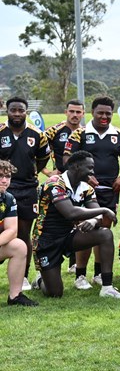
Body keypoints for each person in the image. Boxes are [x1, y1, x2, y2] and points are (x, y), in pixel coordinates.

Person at [33, 151, 120, 299]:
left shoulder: (86, 188)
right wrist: (104, 210)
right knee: (55, 293)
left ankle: (107, 287)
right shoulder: (54, 183)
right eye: (89, 167)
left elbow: (96, 213)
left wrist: (94, 220)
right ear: (76, 166)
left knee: (105, 234)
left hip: (70, 235)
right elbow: (70, 213)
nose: (93, 171)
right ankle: (40, 279)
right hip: (46, 240)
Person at [64, 95, 120, 288]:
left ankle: (99, 273)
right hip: (84, 190)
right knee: (86, 229)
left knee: (104, 230)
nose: (104, 116)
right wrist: (85, 178)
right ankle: (80, 275)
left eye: (108, 114)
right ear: (92, 112)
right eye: (100, 112)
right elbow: (67, 160)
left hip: (110, 189)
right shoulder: (80, 134)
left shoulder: (118, 134)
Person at [0, 96, 51, 290]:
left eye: (21, 110)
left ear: (26, 112)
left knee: (23, 234)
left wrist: (29, 174)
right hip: (4, 189)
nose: (17, 114)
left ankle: (23, 276)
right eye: (13, 110)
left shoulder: (37, 134)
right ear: (7, 111)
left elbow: (42, 159)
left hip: (28, 190)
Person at [0, 160, 38, 305]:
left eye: (8, 177)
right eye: (0, 176)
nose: (4, 181)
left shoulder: (8, 198)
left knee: (19, 246)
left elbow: (11, 230)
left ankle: (15, 296)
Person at [44, 99, 84, 174]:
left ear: (83, 114)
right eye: (71, 111)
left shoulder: (86, 132)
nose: (75, 115)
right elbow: (36, 152)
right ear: (66, 112)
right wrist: (48, 172)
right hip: (60, 178)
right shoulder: (53, 131)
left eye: (78, 112)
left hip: (83, 179)